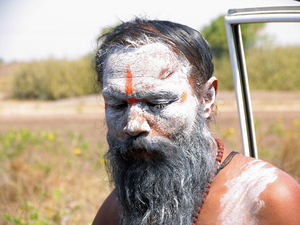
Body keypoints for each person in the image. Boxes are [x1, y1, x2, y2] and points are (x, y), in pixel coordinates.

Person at [92, 18, 300, 225]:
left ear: (206, 98)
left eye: (158, 103)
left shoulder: (268, 200)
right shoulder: (116, 210)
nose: (133, 125)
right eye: (118, 104)